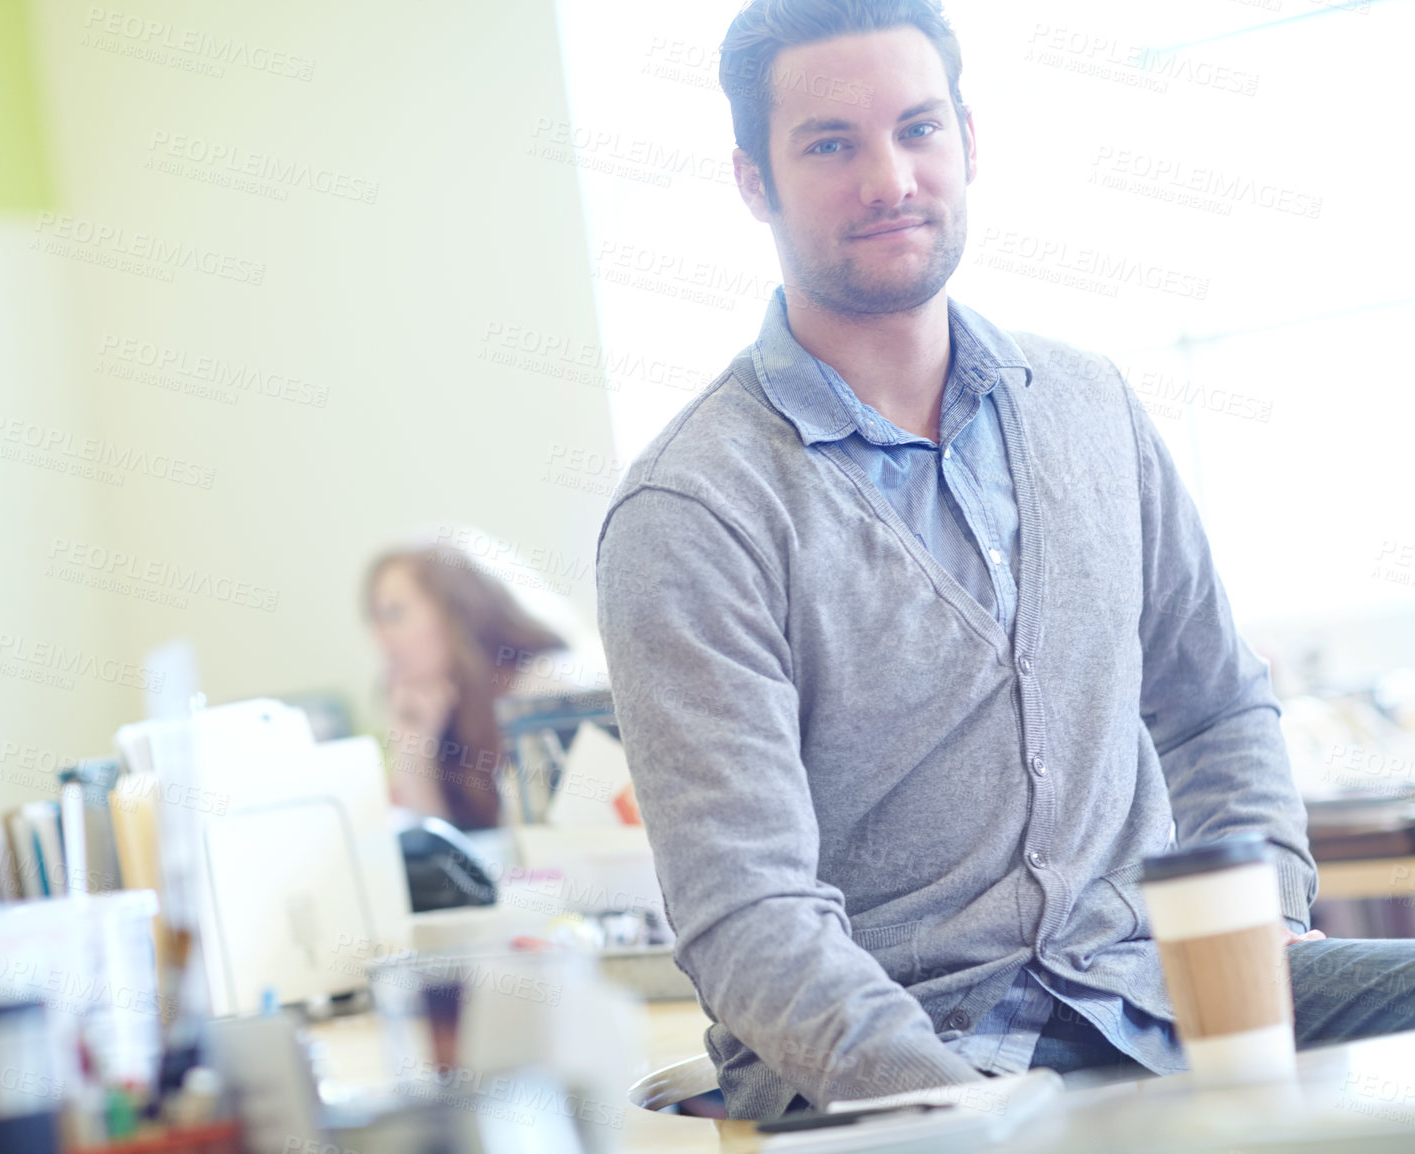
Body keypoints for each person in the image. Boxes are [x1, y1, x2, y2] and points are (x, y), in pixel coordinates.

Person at [594, 0, 1415, 1121]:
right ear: (753, 181)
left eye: (917, 128)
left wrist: (1258, 911)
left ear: (967, 143)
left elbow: (1215, 704)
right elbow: (749, 912)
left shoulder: (1090, 405)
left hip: (1154, 991)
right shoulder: (691, 511)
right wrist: (981, 1118)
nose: (889, 178)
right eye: (830, 144)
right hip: (913, 1052)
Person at [365, 541, 578, 830]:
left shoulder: (545, 685)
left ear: (456, 609)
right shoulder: (437, 707)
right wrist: (414, 751)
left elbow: (532, 850)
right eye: (375, 619)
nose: (381, 638)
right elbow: (434, 860)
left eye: (395, 614)